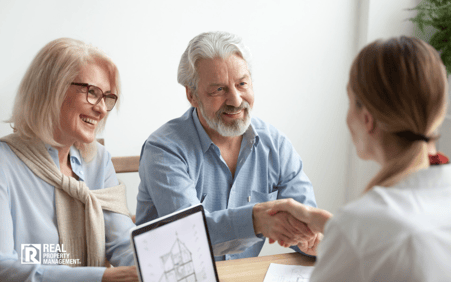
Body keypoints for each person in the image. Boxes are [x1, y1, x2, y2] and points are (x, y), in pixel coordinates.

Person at [268, 36, 451, 281]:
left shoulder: (362, 226)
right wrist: (333, 229)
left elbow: (373, 243)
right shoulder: (366, 228)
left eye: (350, 102)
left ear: (367, 119)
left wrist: (345, 235)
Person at [135, 31, 318, 261]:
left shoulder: (276, 145)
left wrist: (312, 239)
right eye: (219, 90)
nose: (236, 100)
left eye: (242, 84)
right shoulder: (163, 149)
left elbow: (307, 226)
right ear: (192, 96)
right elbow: (190, 238)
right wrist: (256, 220)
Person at [0, 38, 138, 282]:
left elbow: (123, 244)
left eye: (107, 97)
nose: (102, 109)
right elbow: (4, 268)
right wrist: (102, 278)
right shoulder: (4, 163)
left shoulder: (99, 160)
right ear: (52, 89)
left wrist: (151, 267)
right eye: (92, 92)